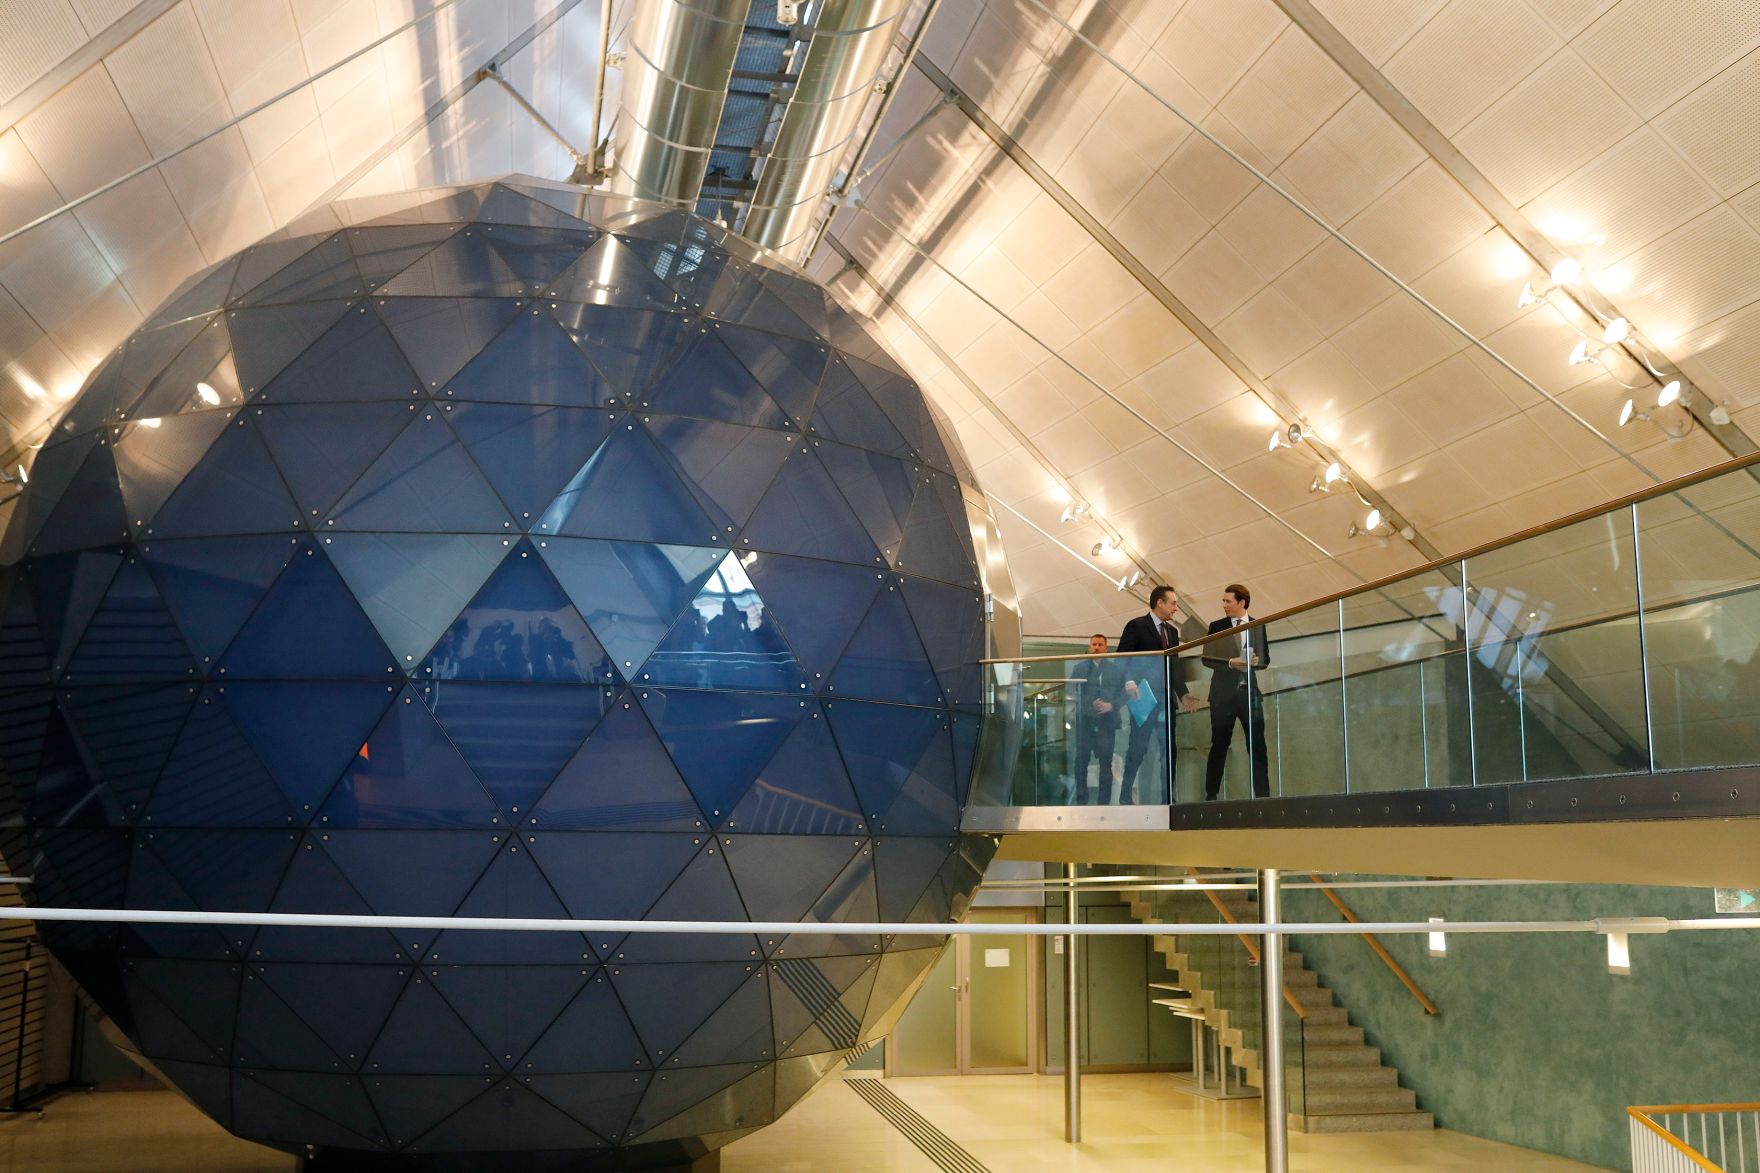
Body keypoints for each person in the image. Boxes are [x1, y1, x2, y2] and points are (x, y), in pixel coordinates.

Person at [1117, 586, 1198, 803]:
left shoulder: (1171, 632)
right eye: (1172, 603)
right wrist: (1129, 681)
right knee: (1137, 749)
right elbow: (1122, 657)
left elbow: (1174, 667)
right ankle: (1125, 796)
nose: (1176, 608)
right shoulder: (1136, 626)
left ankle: (1167, 799)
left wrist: (1183, 694)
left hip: (1165, 702)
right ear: (1159, 603)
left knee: (1168, 750)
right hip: (1143, 699)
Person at [1203, 583, 1271, 800]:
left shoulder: (1257, 624)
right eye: (1223, 601)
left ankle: (1263, 797)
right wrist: (1231, 663)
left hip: (1248, 694)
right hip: (1222, 696)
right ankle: (1211, 795)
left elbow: (1266, 658)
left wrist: (1258, 662)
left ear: (1241, 602)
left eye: (1228, 601)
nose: (1224, 605)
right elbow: (1207, 659)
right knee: (1219, 745)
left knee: (1257, 746)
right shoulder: (1216, 626)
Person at [1071, 634, 1124, 804]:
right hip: (1085, 723)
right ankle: (1082, 801)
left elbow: (1124, 694)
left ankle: (1104, 804)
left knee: (1105, 765)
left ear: (1106, 648)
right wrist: (1089, 703)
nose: (1096, 647)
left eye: (1100, 644)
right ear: (1089, 646)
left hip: (1107, 724)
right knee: (1081, 763)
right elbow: (1071, 692)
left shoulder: (1115, 669)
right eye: (1094, 644)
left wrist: (1112, 705)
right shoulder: (1079, 668)